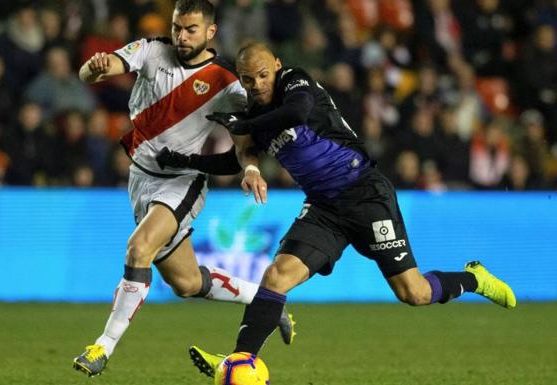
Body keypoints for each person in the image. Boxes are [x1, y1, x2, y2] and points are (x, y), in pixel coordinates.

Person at [155, 42, 517, 379]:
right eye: (248, 80)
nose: (258, 85)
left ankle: (474, 278)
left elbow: (296, 112)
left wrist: (246, 126)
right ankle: (241, 358)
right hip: (324, 208)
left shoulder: (294, 82)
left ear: (276, 66)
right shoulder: (254, 114)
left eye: (263, 75)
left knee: (414, 293)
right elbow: (233, 161)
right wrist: (186, 161)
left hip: (365, 193)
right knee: (277, 276)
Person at [72, 3, 295, 377]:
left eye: (191, 29)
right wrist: (93, 68)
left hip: (181, 181)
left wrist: (251, 167)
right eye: (177, 27)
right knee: (187, 283)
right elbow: (98, 69)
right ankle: (266, 302)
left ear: (210, 32)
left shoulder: (226, 81)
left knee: (139, 248)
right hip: (140, 176)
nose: (182, 36)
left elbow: (243, 141)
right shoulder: (150, 50)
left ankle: (102, 347)